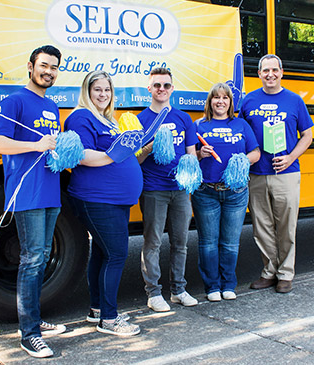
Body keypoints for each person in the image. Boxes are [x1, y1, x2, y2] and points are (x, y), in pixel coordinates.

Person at [0, 45, 66, 358]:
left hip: (50, 192)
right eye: (43, 65)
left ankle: (34, 318)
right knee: (32, 260)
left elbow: (47, 147)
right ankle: (28, 334)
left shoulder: (53, 104)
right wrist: (36, 144)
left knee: (41, 259)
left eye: (54, 67)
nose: (48, 71)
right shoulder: (14, 100)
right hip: (27, 193)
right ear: (30, 66)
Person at [65, 70, 142, 336]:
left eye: (107, 90)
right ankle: (109, 320)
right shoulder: (80, 116)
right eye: (97, 89)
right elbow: (82, 155)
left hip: (114, 199)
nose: (103, 94)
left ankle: (97, 309)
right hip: (97, 198)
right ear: (87, 91)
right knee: (117, 254)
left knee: (102, 251)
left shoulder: (107, 119)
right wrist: (115, 154)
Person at [238, 54, 313, 294]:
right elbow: (240, 133)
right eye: (265, 71)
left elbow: (308, 135)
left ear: (281, 72)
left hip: (286, 172)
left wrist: (291, 157)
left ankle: (286, 274)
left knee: (286, 225)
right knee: (262, 226)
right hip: (257, 173)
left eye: (274, 70)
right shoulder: (249, 101)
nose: (270, 74)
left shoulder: (294, 101)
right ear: (258, 74)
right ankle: (269, 272)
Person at [136, 67, 198, 312]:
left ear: (172, 89)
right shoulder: (140, 120)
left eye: (166, 85)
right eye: (157, 85)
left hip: (180, 190)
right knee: (152, 242)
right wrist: (150, 147)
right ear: (149, 89)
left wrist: (190, 174)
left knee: (181, 242)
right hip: (153, 189)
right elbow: (134, 160)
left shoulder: (183, 118)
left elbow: (190, 154)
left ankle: (178, 290)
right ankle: (153, 293)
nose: (162, 89)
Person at [193, 82, 260, 302]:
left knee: (230, 242)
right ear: (209, 101)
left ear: (231, 102)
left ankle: (228, 284)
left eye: (225, 98)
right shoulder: (199, 126)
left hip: (236, 192)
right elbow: (189, 156)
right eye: (216, 97)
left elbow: (256, 153)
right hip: (206, 191)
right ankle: (212, 286)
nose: (220, 101)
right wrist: (200, 153)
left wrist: (243, 160)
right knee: (208, 242)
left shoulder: (241, 125)